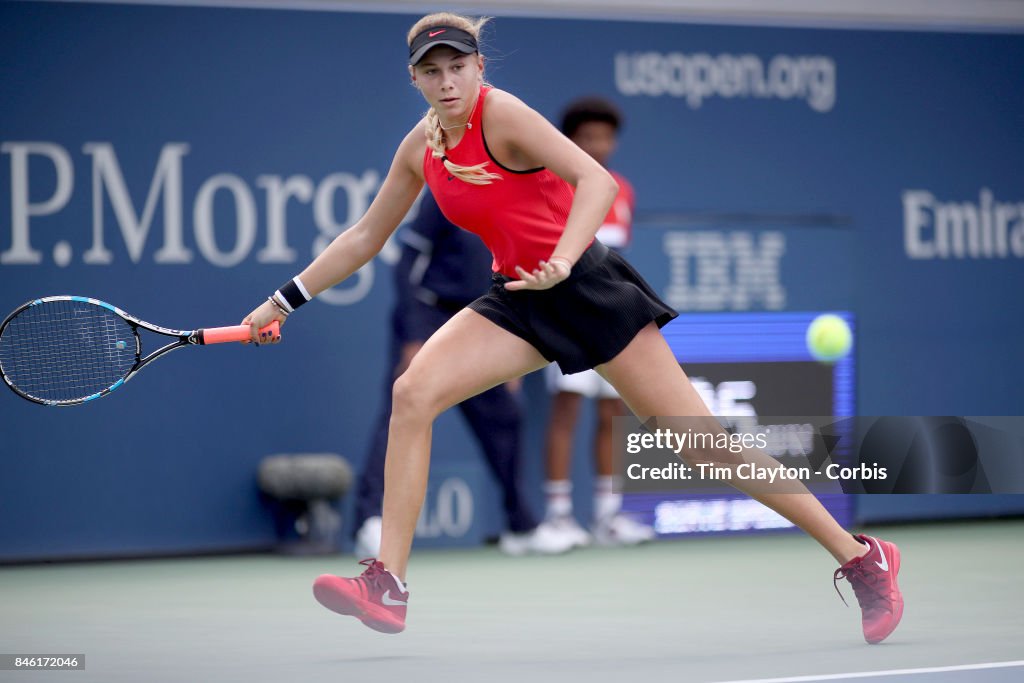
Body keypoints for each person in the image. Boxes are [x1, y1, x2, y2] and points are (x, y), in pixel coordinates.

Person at [244, 12, 904, 644]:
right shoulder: (421, 147)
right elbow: (364, 235)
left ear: (478, 68)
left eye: (457, 66)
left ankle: (861, 557)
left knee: (704, 448)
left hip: (586, 286)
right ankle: (387, 583)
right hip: (518, 297)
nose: (446, 80)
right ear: (413, 79)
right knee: (413, 393)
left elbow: (595, 179)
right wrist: (284, 299)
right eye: (431, 70)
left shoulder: (502, 115)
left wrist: (562, 256)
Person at [353, 190, 574, 557]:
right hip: (429, 314)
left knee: (504, 418)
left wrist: (512, 345)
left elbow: (516, 273)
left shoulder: (516, 199)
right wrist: (412, 335)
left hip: (483, 319)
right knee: (403, 413)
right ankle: (369, 520)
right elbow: (407, 262)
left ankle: (520, 526)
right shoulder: (446, 195)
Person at [540, 97, 655, 548]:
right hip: (566, 316)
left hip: (612, 318)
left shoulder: (621, 189)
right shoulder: (553, 183)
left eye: (605, 137)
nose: (597, 145)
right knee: (566, 411)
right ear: (570, 141)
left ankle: (608, 516)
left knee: (613, 413)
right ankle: (559, 516)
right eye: (587, 137)